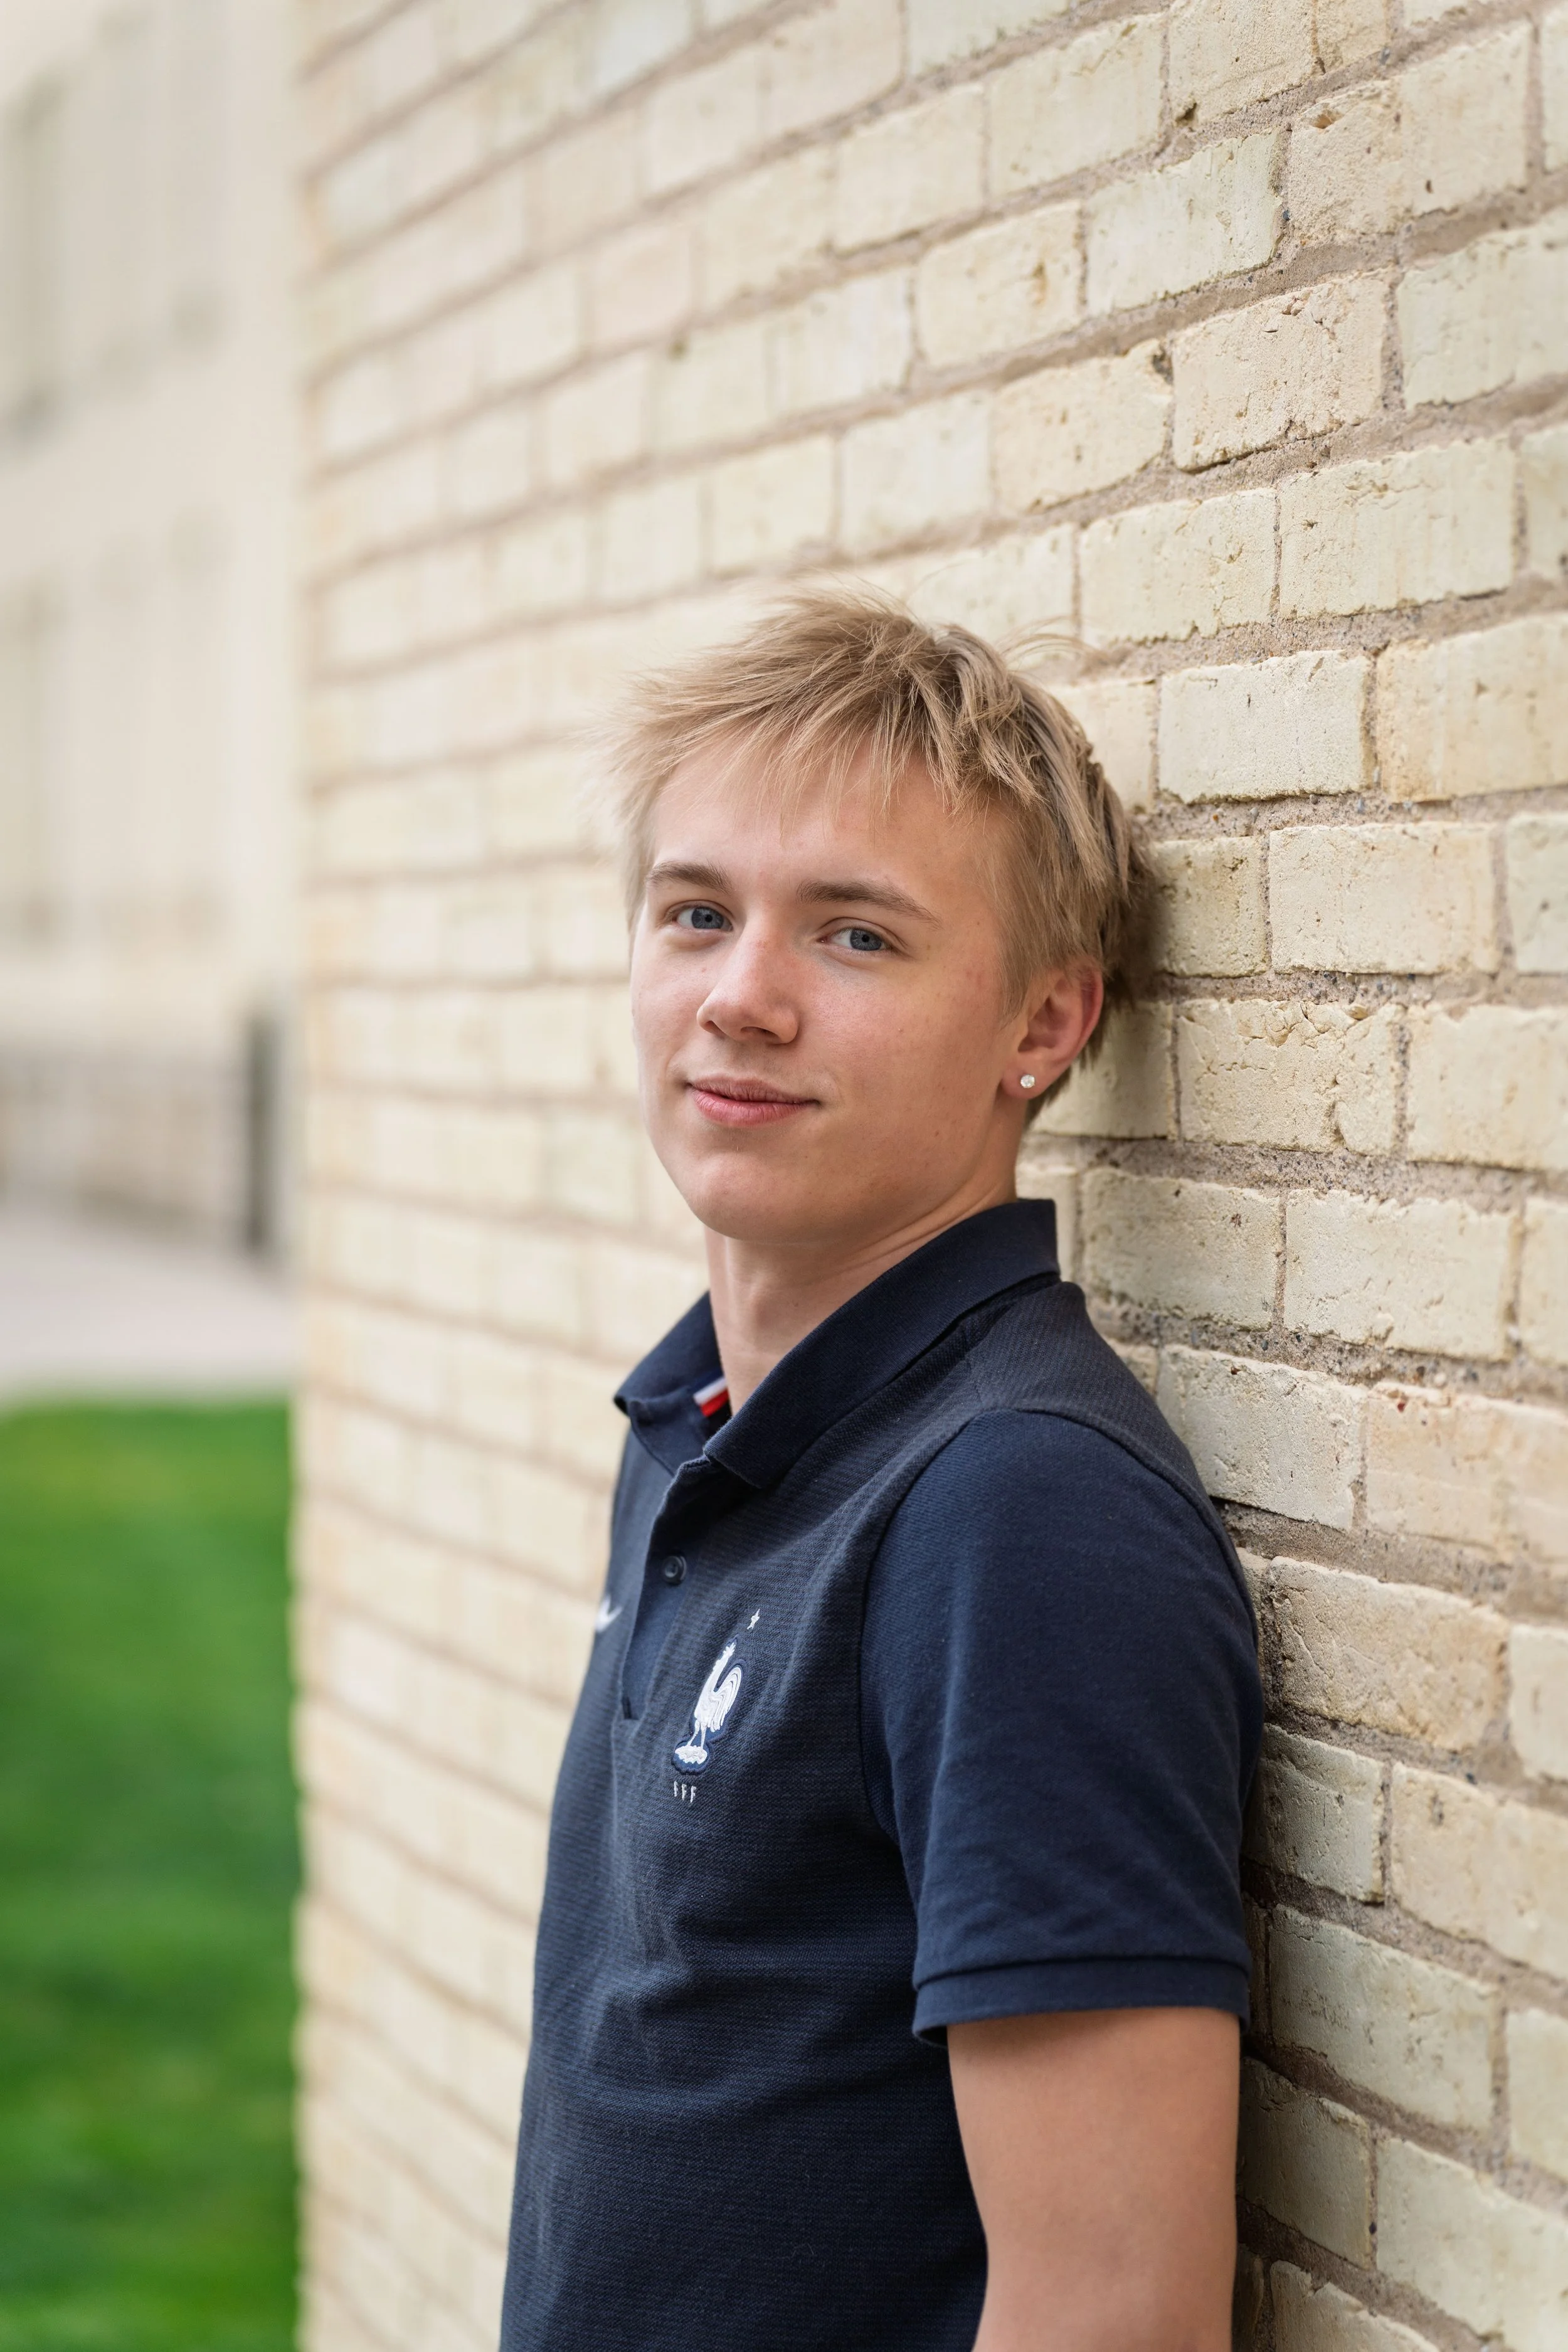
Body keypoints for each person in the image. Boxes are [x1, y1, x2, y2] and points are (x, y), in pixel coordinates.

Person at [499, 589, 1262, 2352]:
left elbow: (1113, 2309)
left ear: (1041, 1024)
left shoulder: (1013, 1509)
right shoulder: (714, 1421)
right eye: (695, 912)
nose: (739, 998)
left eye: (854, 936)